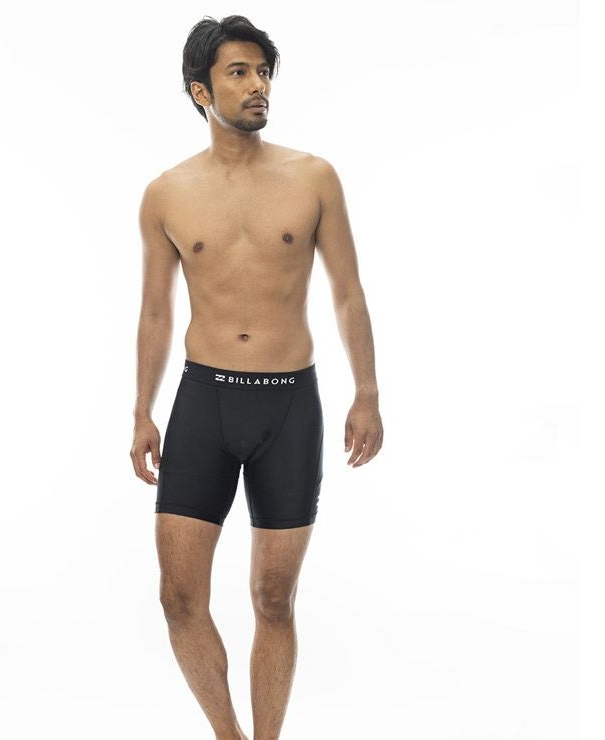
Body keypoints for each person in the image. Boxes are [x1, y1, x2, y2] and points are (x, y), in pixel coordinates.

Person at [130, 14, 383, 740]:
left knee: (274, 599)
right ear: (200, 91)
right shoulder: (166, 193)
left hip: (288, 407)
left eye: (262, 71)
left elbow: (347, 292)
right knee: (179, 598)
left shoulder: (313, 178)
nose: (257, 85)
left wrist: (367, 393)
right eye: (238, 73)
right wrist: (142, 411)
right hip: (202, 402)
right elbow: (155, 311)